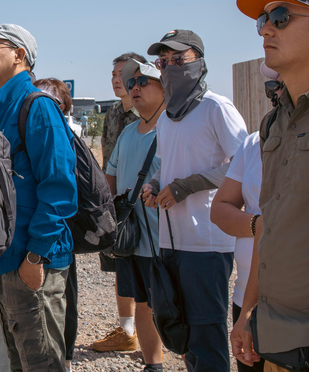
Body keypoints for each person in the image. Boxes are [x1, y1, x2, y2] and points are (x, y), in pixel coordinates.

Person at [0, 23, 77, 371]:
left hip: (31, 262)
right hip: (6, 263)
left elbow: (59, 188)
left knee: (42, 364)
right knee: (19, 363)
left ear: (19, 55)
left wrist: (35, 257)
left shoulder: (37, 107)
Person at [230, 0, 309, 372]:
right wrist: (249, 310)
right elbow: (268, 225)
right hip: (278, 335)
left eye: (282, 17)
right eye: (263, 20)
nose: (266, 30)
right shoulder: (274, 123)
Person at [141, 29, 248, 372]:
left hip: (207, 241)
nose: (170, 67)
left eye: (179, 59)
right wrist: (154, 185)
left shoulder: (216, 107)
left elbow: (244, 164)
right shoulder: (167, 117)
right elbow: (167, 165)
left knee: (206, 336)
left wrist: (188, 186)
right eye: (163, 61)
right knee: (184, 335)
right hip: (171, 240)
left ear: (198, 61)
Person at [210, 64, 278, 372]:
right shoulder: (254, 143)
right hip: (246, 299)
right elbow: (220, 209)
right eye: (273, 88)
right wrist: (258, 225)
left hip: (295, 306)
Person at [105, 60, 165, 372]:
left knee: (175, 308)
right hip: (133, 240)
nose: (135, 87)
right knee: (142, 303)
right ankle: (153, 364)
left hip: (168, 243)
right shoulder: (128, 132)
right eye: (132, 83)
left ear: (165, 87)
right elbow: (110, 178)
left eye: (144, 81)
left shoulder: (175, 129)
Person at [93, 52, 145, 353]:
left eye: (122, 73)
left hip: (144, 203)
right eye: (114, 74)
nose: (116, 79)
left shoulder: (150, 113)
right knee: (120, 265)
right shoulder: (113, 112)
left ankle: (152, 333)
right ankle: (127, 331)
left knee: (146, 269)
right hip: (115, 203)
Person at [33, 77, 80, 371]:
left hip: (58, 238)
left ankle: (66, 358)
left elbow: (60, 190)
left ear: (63, 106)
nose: (39, 104)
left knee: (60, 301)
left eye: (49, 100)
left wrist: (35, 251)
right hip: (43, 238)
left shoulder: (62, 133)